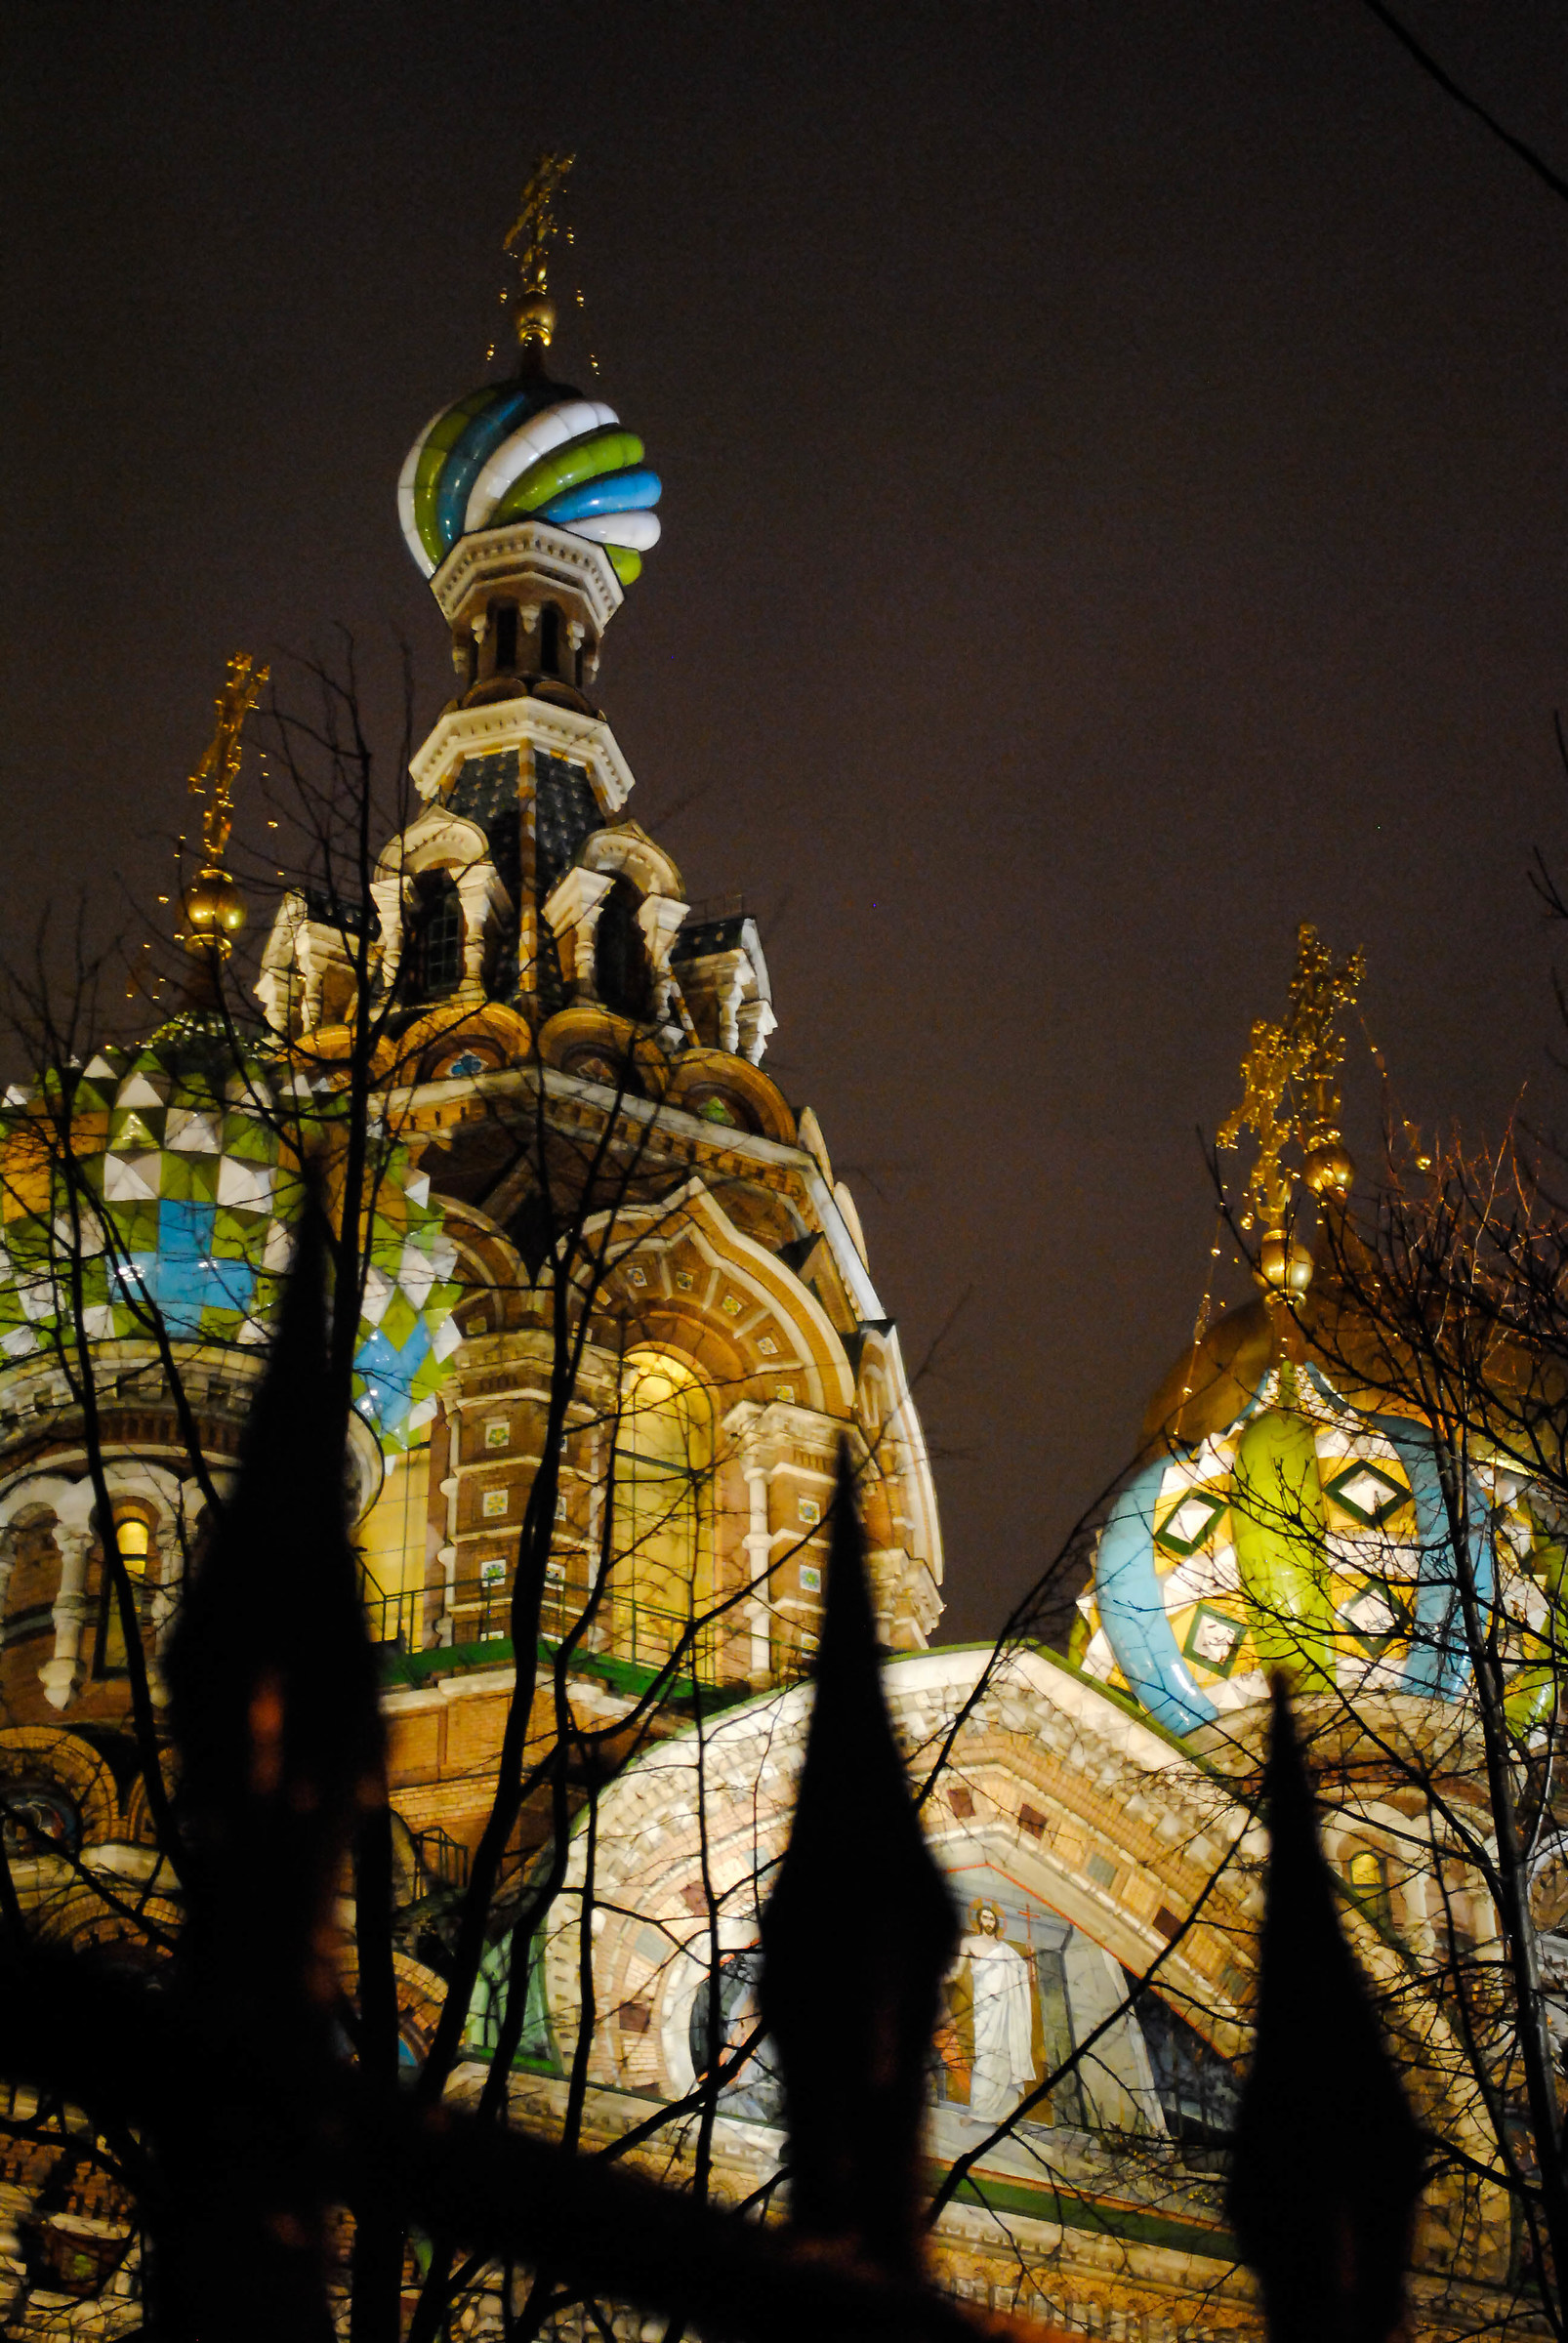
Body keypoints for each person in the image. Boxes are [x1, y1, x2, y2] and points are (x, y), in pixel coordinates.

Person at [958, 1901, 1036, 2120]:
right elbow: (956, 1973)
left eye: (991, 1918)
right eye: (984, 1917)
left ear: (997, 1922)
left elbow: (1027, 1978)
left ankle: (1006, 2114)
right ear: (978, 1921)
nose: (988, 1922)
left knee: (1004, 2057)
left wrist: (1031, 1957)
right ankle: (979, 2110)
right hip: (985, 2010)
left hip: (1006, 2011)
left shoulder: (1007, 1952)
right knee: (985, 2057)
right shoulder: (970, 1943)